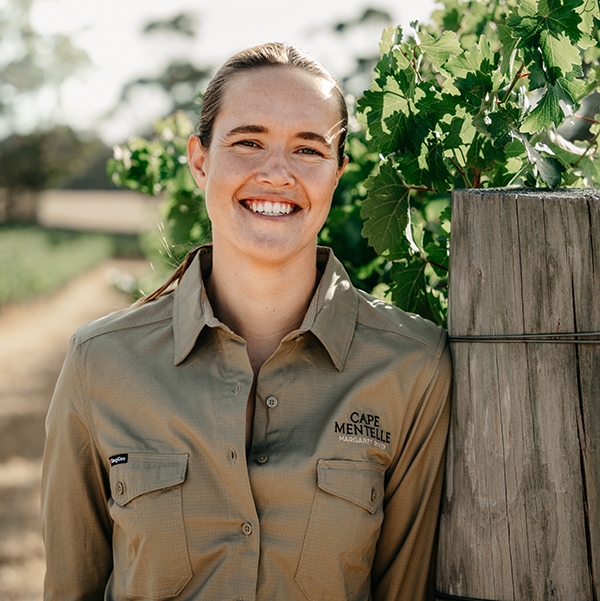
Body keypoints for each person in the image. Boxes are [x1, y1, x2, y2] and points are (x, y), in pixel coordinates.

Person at [41, 42, 451, 601]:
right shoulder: (100, 364)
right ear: (200, 160)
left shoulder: (412, 367)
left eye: (309, 149)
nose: (277, 173)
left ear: (337, 174)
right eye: (248, 142)